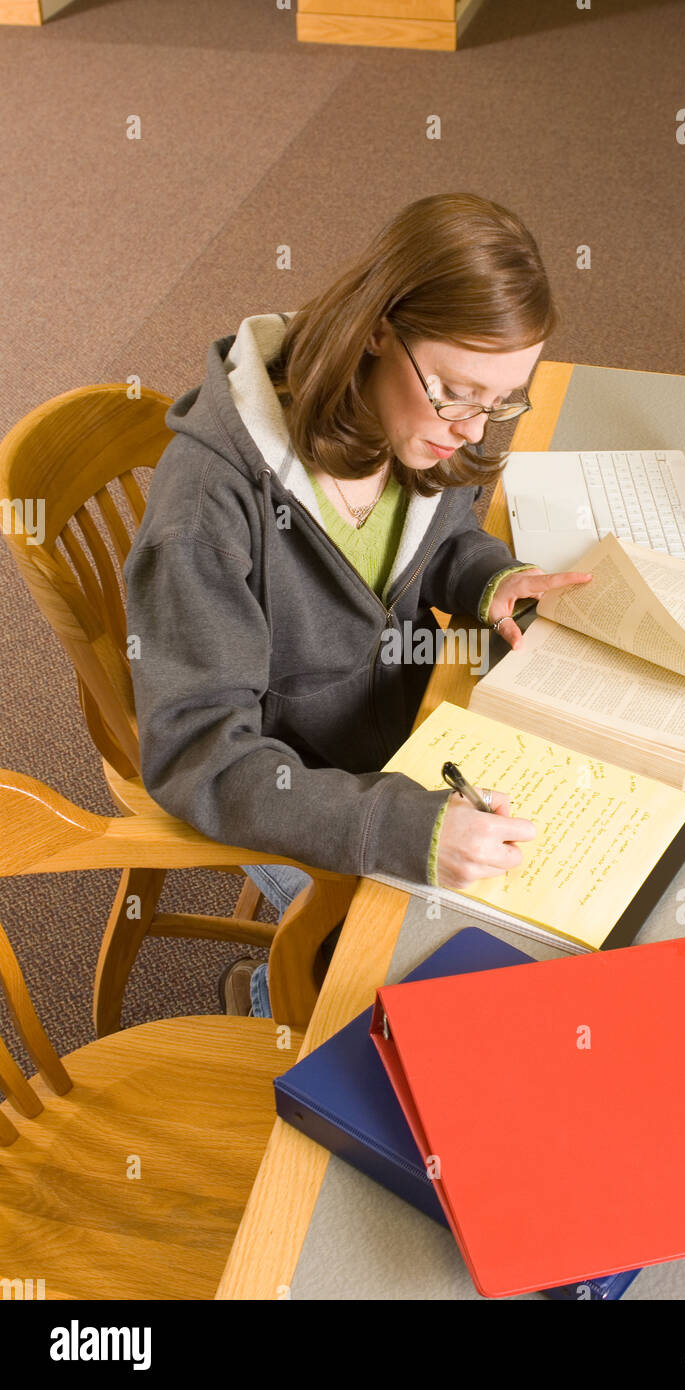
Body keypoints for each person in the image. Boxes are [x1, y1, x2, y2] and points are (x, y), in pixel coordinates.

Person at [123, 191, 591, 1017]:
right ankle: (266, 993)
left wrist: (488, 579)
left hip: (407, 743)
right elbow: (201, 756)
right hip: (283, 782)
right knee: (392, 988)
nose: (475, 432)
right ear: (379, 329)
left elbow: (434, 540)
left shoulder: (405, 413)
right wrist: (401, 829)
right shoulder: (209, 509)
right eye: (456, 391)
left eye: (501, 402)